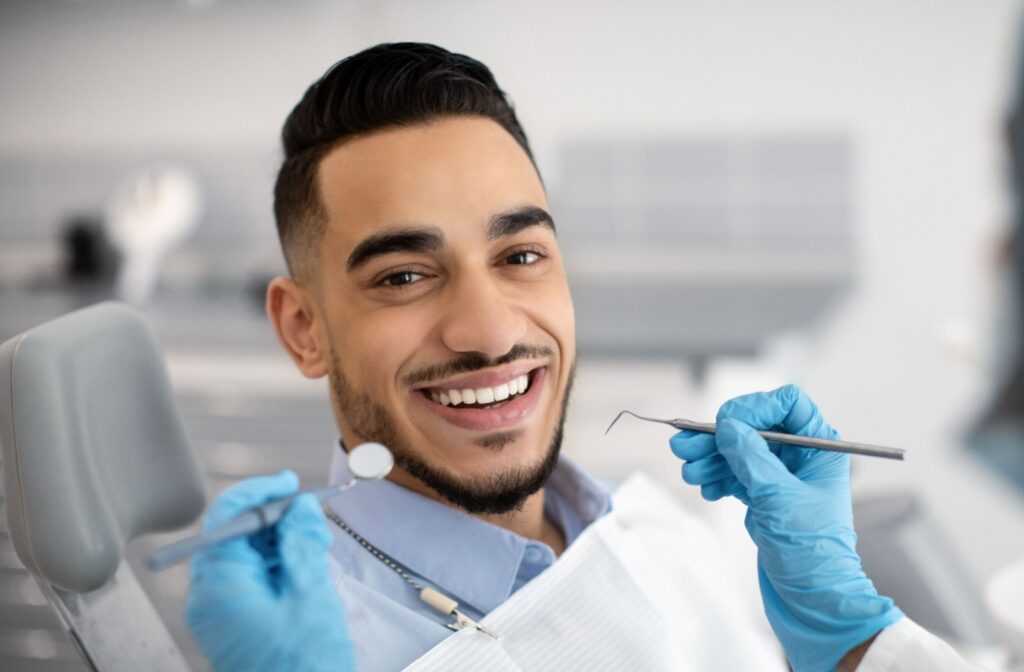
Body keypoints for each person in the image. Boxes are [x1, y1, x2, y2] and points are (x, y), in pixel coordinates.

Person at [185, 43, 984, 671]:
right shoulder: (317, 643)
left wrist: (848, 643)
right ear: (303, 330)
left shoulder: (645, 525)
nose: (490, 333)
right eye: (403, 276)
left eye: (520, 256)